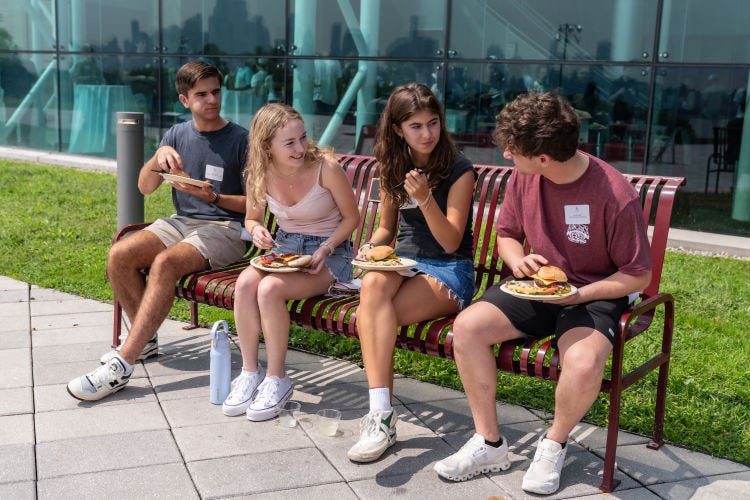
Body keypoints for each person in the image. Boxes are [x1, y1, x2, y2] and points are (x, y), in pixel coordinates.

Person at [433, 92, 652, 494]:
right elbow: (507, 235)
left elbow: (637, 276)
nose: (507, 158)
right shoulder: (526, 176)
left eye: (513, 152)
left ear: (544, 159)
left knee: (583, 363)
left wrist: (579, 297)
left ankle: (553, 443)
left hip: (595, 293)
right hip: (536, 287)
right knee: (468, 328)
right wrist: (517, 262)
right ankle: (489, 442)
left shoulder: (614, 194)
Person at [67, 61, 249, 401]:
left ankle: (122, 363)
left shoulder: (241, 140)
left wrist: (214, 196)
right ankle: (145, 339)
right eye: (201, 94)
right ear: (184, 100)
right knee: (120, 254)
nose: (211, 100)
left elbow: (256, 206)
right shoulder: (177, 135)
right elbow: (145, 186)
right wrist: (158, 154)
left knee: (165, 264)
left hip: (225, 227)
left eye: (216, 92)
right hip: (181, 222)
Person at [346, 82, 476, 463]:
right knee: (372, 283)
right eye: (416, 126)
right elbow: (387, 229)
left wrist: (423, 198)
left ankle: (380, 419)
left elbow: (451, 241)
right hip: (404, 266)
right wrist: (371, 246)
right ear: (398, 129)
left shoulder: (459, 169)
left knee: (370, 317)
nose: (427, 134)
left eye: (432, 123)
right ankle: (381, 412)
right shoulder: (394, 164)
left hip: (449, 271)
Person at [221, 103, 359, 421]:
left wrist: (326, 247)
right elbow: (253, 219)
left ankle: (277, 378)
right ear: (266, 146)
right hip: (285, 250)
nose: (300, 149)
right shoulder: (259, 172)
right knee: (244, 285)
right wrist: (257, 232)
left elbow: (352, 218)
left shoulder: (326, 168)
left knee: (269, 290)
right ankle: (249, 373)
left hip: (330, 253)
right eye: (289, 143)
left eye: (302, 139)